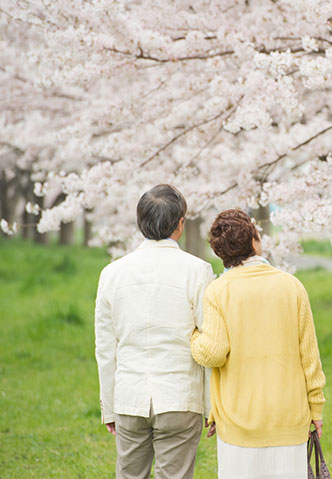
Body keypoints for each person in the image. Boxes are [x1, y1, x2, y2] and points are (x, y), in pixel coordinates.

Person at [190, 209, 326, 479]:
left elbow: (213, 352)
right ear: (255, 241)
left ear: (221, 253)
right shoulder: (292, 286)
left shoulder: (219, 290)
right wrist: (316, 408)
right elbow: (309, 356)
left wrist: (194, 337)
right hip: (288, 416)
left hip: (239, 420)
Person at [94, 184, 216, 479]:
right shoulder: (198, 270)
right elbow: (209, 340)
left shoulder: (112, 273)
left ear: (140, 223)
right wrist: (212, 405)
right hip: (179, 397)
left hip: (129, 396)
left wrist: (109, 407)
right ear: (180, 225)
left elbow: (105, 348)